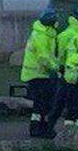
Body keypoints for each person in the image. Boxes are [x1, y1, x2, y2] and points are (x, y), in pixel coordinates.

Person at [20, 8, 60, 137]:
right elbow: (44, 57)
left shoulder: (45, 33)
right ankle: (37, 128)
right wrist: (56, 68)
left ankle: (40, 126)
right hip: (38, 74)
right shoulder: (41, 36)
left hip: (41, 74)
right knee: (41, 103)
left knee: (43, 103)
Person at [44, 13, 78, 130]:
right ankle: (74, 128)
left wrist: (60, 67)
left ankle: (50, 124)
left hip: (64, 72)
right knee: (76, 102)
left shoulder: (63, 35)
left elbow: (58, 55)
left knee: (59, 101)